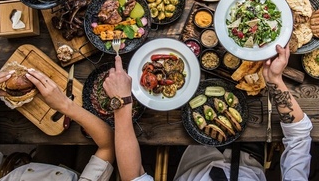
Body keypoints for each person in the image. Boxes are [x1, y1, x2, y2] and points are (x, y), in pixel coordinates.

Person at [103, 45, 312, 180]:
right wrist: (275, 80)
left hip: (192, 153)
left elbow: (133, 176)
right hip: (250, 155)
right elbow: (299, 136)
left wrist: (121, 103)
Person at [0, 68, 115, 180]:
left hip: (36, 168)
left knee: (54, 144)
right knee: (87, 142)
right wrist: (65, 105)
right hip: (82, 173)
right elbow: (107, 146)